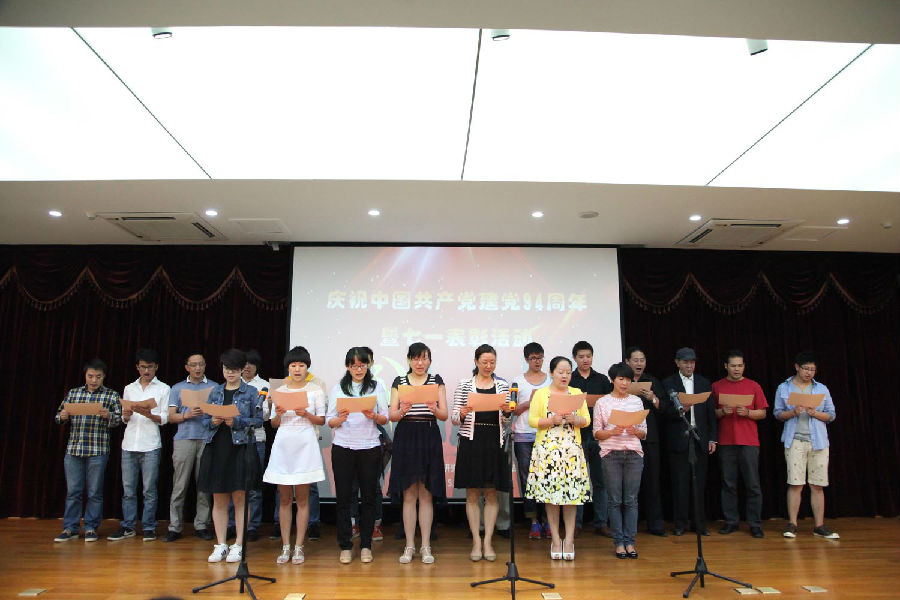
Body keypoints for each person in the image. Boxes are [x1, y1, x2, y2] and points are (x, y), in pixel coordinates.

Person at [197, 348, 264, 563]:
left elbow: (258, 421)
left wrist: (236, 421)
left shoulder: (251, 392)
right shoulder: (215, 391)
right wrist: (213, 421)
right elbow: (205, 422)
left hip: (240, 448)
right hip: (217, 447)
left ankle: (239, 544)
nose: (230, 373)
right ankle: (221, 544)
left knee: (240, 497)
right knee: (219, 497)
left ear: (242, 369)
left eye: (234, 369)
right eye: (227, 369)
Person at [326, 347, 390, 564]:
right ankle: (345, 545)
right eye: (354, 366)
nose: (359, 369)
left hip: (369, 447)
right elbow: (330, 420)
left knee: (369, 497)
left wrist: (375, 416)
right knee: (344, 498)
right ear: (347, 367)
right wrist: (339, 419)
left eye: (362, 365)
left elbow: (385, 417)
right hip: (343, 447)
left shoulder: (376, 387)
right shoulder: (339, 388)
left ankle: (365, 546)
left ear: (368, 366)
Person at [264, 346, 327, 565]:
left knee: (302, 498)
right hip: (284, 444)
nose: (297, 369)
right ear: (288, 368)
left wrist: (306, 414)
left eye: (301, 365)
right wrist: (279, 414)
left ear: (307, 367)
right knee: (284, 499)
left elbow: (321, 420)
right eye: (293, 365)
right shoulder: (280, 390)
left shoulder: (315, 390)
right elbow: (274, 423)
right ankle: (285, 546)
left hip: (305, 443)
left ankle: (299, 546)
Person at [526, 356, 591, 561]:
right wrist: (550, 420)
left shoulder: (577, 393)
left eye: (568, 372)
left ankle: (569, 540)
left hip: (571, 452)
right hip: (547, 452)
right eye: (560, 372)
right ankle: (555, 539)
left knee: (571, 498)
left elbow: (587, 420)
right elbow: (532, 420)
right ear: (552, 373)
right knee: (551, 498)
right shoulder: (541, 394)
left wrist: (576, 419)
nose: (564, 376)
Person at [388, 342, 448, 564]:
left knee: (426, 493)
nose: (420, 363)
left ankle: (425, 545)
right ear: (409, 360)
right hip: (406, 435)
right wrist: (402, 411)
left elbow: (444, 415)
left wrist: (434, 409)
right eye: (415, 358)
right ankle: (409, 545)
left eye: (424, 358)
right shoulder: (399, 381)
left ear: (430, 361)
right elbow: (392, 416)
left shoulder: (436, 380)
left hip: (428, 434)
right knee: (408, 494)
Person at [452, 344, 511, 563]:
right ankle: (476, 541)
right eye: (484, 362)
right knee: (472, 494)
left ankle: (488, 541)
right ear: (476, 361)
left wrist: (507, 413)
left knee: (492, 493)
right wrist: (462, 413)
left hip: (494, 442)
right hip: (471, 442)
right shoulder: (464, 385)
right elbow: (455, 419)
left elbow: (507, 421)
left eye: (492, 362)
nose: (488, 366)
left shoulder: (502, 385)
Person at [54, 359, 122, 542]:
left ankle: (91, 527)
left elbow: (120, 420)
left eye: (98, 377)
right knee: (73, 492)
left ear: (104, 377)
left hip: (98, 450)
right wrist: (62, 416)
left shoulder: (111, 395)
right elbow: (58, 417)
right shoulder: (74, 393)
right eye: (90, 376)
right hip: (74, 449)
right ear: (85, 376)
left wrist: (109, 416)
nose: (94, 380)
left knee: (94, 492)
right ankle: (70, 528)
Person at [774, 351, 839, 540]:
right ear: (797, 367)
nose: (809, 372)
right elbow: (778, 413)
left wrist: (815, 413)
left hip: (818, 442)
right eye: (806, 368)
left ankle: (819, 525)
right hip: (795, 440)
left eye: (812, 369)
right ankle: (792, 524)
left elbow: (831, 415)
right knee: (796, 483)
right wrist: (793, 412)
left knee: (817, 484)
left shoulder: (821, 388)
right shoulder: (784, 387)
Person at [109, 348, 170, 542]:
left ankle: (149, 527)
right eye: (143, 367)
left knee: (149, 490)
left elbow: (165, 418)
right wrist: (125, 415)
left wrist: (150, 415)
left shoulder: (163, 388)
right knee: (128, 490)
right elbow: (125, 418)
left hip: (150, 444)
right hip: (129, 444)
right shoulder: (129, 388)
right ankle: (128, 526)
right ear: (137, 367)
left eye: (150, 367)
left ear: (156, 367)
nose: (146, 371)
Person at [593, 362, 647, 559]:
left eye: (628, 380)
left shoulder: (636, 401)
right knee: (614, 500)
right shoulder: (602, 402)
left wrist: (635, 430)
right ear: (612, 380)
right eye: (621, 379)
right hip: (611, 454)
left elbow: (644, 433)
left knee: (631, 500)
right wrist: (612, 432)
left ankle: (630, 542)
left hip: (633, 454)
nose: (624, 383)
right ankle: (619, 543)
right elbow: (596, 433)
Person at [662, 347, 717, 536]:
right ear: (677, 363)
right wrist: (680, 410)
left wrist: (712, 438)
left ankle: (699, 524)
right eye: (685, 362)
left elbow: (710, 414)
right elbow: (664, 412)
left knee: (699, 484)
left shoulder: (703, 382)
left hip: (699, 438)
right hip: (679, 439)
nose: (689, 365)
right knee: (680, 484)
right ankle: (680, 523)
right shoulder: (669, 383)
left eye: (692, 362)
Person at [713, 349, 768, 538]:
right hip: (726, 441)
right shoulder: (717, 386)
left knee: (752, 484)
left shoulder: (754, 386)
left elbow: (763, 412)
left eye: (740, 366)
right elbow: (710, 414)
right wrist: (722, 412)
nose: (736, 369)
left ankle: (755, 524)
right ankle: (731, 521)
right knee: (728, 483)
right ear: (726, 366)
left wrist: (749, 413)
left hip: (749, 441)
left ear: (744, 366)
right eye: (733, 366)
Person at [164, 353, 216, 542]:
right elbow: (171, 416)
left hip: (206, 439)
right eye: (193, 365)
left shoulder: (214, 387)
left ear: (205, 365)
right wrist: (186, 415)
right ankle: (174, 526)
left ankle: (201, 525)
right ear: (187, 367)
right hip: (184, 439)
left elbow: (219, 413)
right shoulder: (177, 388)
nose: (197, 368)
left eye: (201, 364)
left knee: (204, 486)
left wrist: (209, 412)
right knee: (179, 485)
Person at [569, 341, 613, 538]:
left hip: (599, 436)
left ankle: (601, 522)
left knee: (600, 481)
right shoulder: (570, 380)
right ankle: (576, 523)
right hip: (576, 435)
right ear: (575, 358)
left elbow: (610, 404)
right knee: (578, 480)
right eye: (581, 357)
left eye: (588, 356)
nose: (585, 360)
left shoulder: (602, 379)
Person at [624, 346, 667, 536]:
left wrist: (653, 398)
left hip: (649, 438)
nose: (639, 363)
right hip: (626, 437)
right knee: (628, 483)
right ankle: (629, 524)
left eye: (642, 360)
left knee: (652, 481)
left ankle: (655, 524)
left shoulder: (653, 381)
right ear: (627, 362)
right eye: (635, 360)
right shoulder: (622, 380)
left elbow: (665, 408)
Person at [512, 342, 552, 540]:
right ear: (526, 360)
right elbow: (513, 410)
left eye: (540, 357)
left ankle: (548, 520)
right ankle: (533, 521)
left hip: (547, 435)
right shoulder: (517, 381)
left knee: (548, 477)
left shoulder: (551, 380)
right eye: (533, 358)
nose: (537, 361)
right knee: (527, 479)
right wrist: (531, 402)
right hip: (523, 436)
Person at [235, 349, 268, 542]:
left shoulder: (263, 386)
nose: (247, 367)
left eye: (251, 363)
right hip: (233, 439)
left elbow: (265, 415)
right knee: (234, 484)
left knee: (254, 485)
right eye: (244, 363)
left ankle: (253, 525)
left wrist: (242, 417)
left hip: (257, 439)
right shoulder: (233, 384)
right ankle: (233, 524)